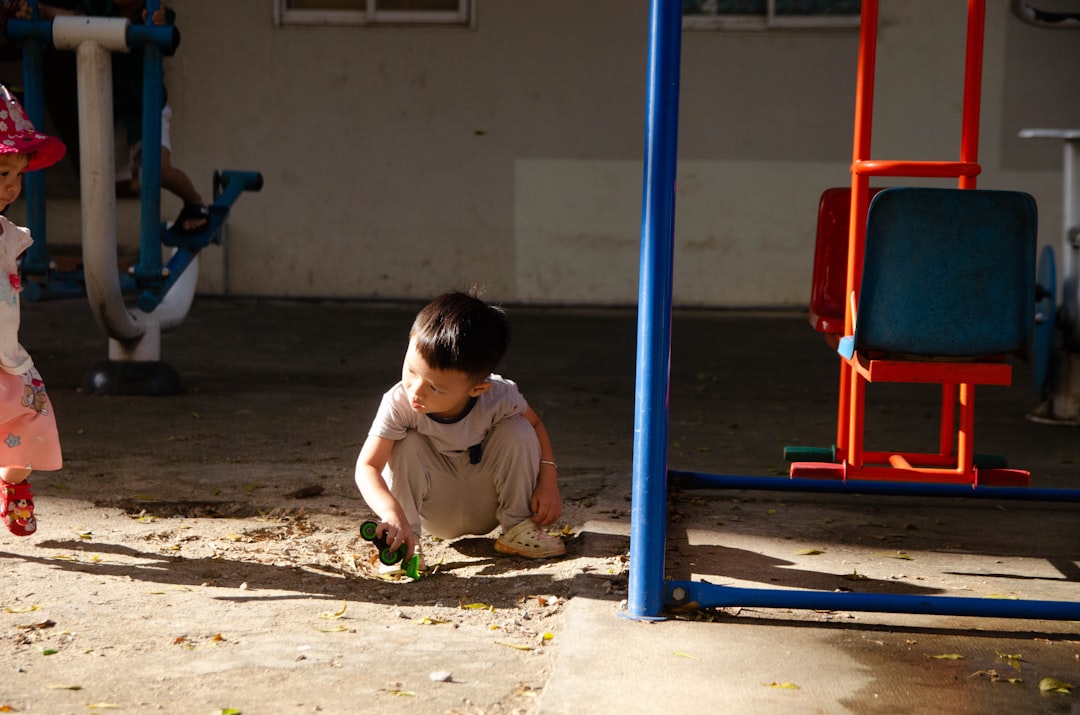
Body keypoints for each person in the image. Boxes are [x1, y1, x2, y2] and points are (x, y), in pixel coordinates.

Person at [355, 289, 565, 576]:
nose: (416, 390)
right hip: (434, 508)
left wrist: (548, 481)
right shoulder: (399, 403)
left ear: (477, 388)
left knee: (518, 428)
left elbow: (536, 425)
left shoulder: (499, 397)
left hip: (486, 503)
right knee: (406, 442)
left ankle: (517, 527)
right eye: (412, 371)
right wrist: (391, 512)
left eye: (435, 387)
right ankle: (406, 542)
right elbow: (367, 467)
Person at [16, 0, 208, 234]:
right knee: (102, 180)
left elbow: (169, 35)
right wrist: (44, 11)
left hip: (145, 106)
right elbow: (76, 17)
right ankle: (110, 240)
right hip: (110, 109)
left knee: (158, 170)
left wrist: (158, 23)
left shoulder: (154, 13)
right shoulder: (101, 9)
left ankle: (195, 202)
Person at [0, 84, 65, 536]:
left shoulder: (8, 234)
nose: (12, 185)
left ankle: (14, 484)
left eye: (18, 175)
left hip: (8, 358)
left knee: (29, 424)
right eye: (3, 171)